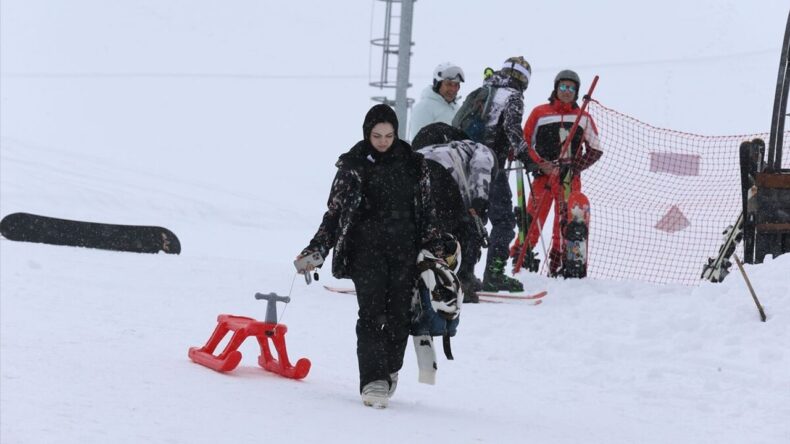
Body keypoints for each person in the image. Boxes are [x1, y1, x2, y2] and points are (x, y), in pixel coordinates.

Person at [296, 104, 442, 409]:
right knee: (372, 313)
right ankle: (372, 380)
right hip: (366, 251)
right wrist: (317, 249)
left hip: (405, 251)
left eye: (389, 135)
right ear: (367, 133)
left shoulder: (415, 165)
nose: (383, 141)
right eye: (377, 135)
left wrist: (435, 252)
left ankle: (389, 369)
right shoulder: (352, 165)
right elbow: (334, 215)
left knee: (400, 316)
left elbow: (429, 213)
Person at [521, 69, 603, 277]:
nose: (567, 91)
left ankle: (560, 263)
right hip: (544, 177)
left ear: (576, 92)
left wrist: (576, 167)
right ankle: (522, 260)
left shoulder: (583, 117)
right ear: (556, 88)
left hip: (568, 179)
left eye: (571, 88)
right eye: (563, 87)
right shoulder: (540, 113)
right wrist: (541, 164)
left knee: (565, 220)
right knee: (532, 218)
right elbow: (525, 143)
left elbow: (595, 149)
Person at [412, 122, 497, 303]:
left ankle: (414, 276)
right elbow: (481, 165)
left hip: (414, 169)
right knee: (465, 228)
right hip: (442, 175)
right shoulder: (480, 149)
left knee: (422, 227)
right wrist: (479, 201)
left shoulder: (443, 147)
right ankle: (462, 280)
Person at [475, 56, 534, 292]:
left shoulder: (485, 89)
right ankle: (495, 274)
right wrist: (526, 157)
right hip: (491, 165)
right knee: (504, 221)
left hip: (467, 162)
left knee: (473, 218)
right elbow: (512, 128)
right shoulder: (513, 95)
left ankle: (462, 272)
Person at [408, 62, 465, 140]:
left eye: (456, 85)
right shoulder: (424, 108)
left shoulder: (456, 108)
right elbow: (419, 144)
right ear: (437, 84)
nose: (453, 89)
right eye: (449, 84)